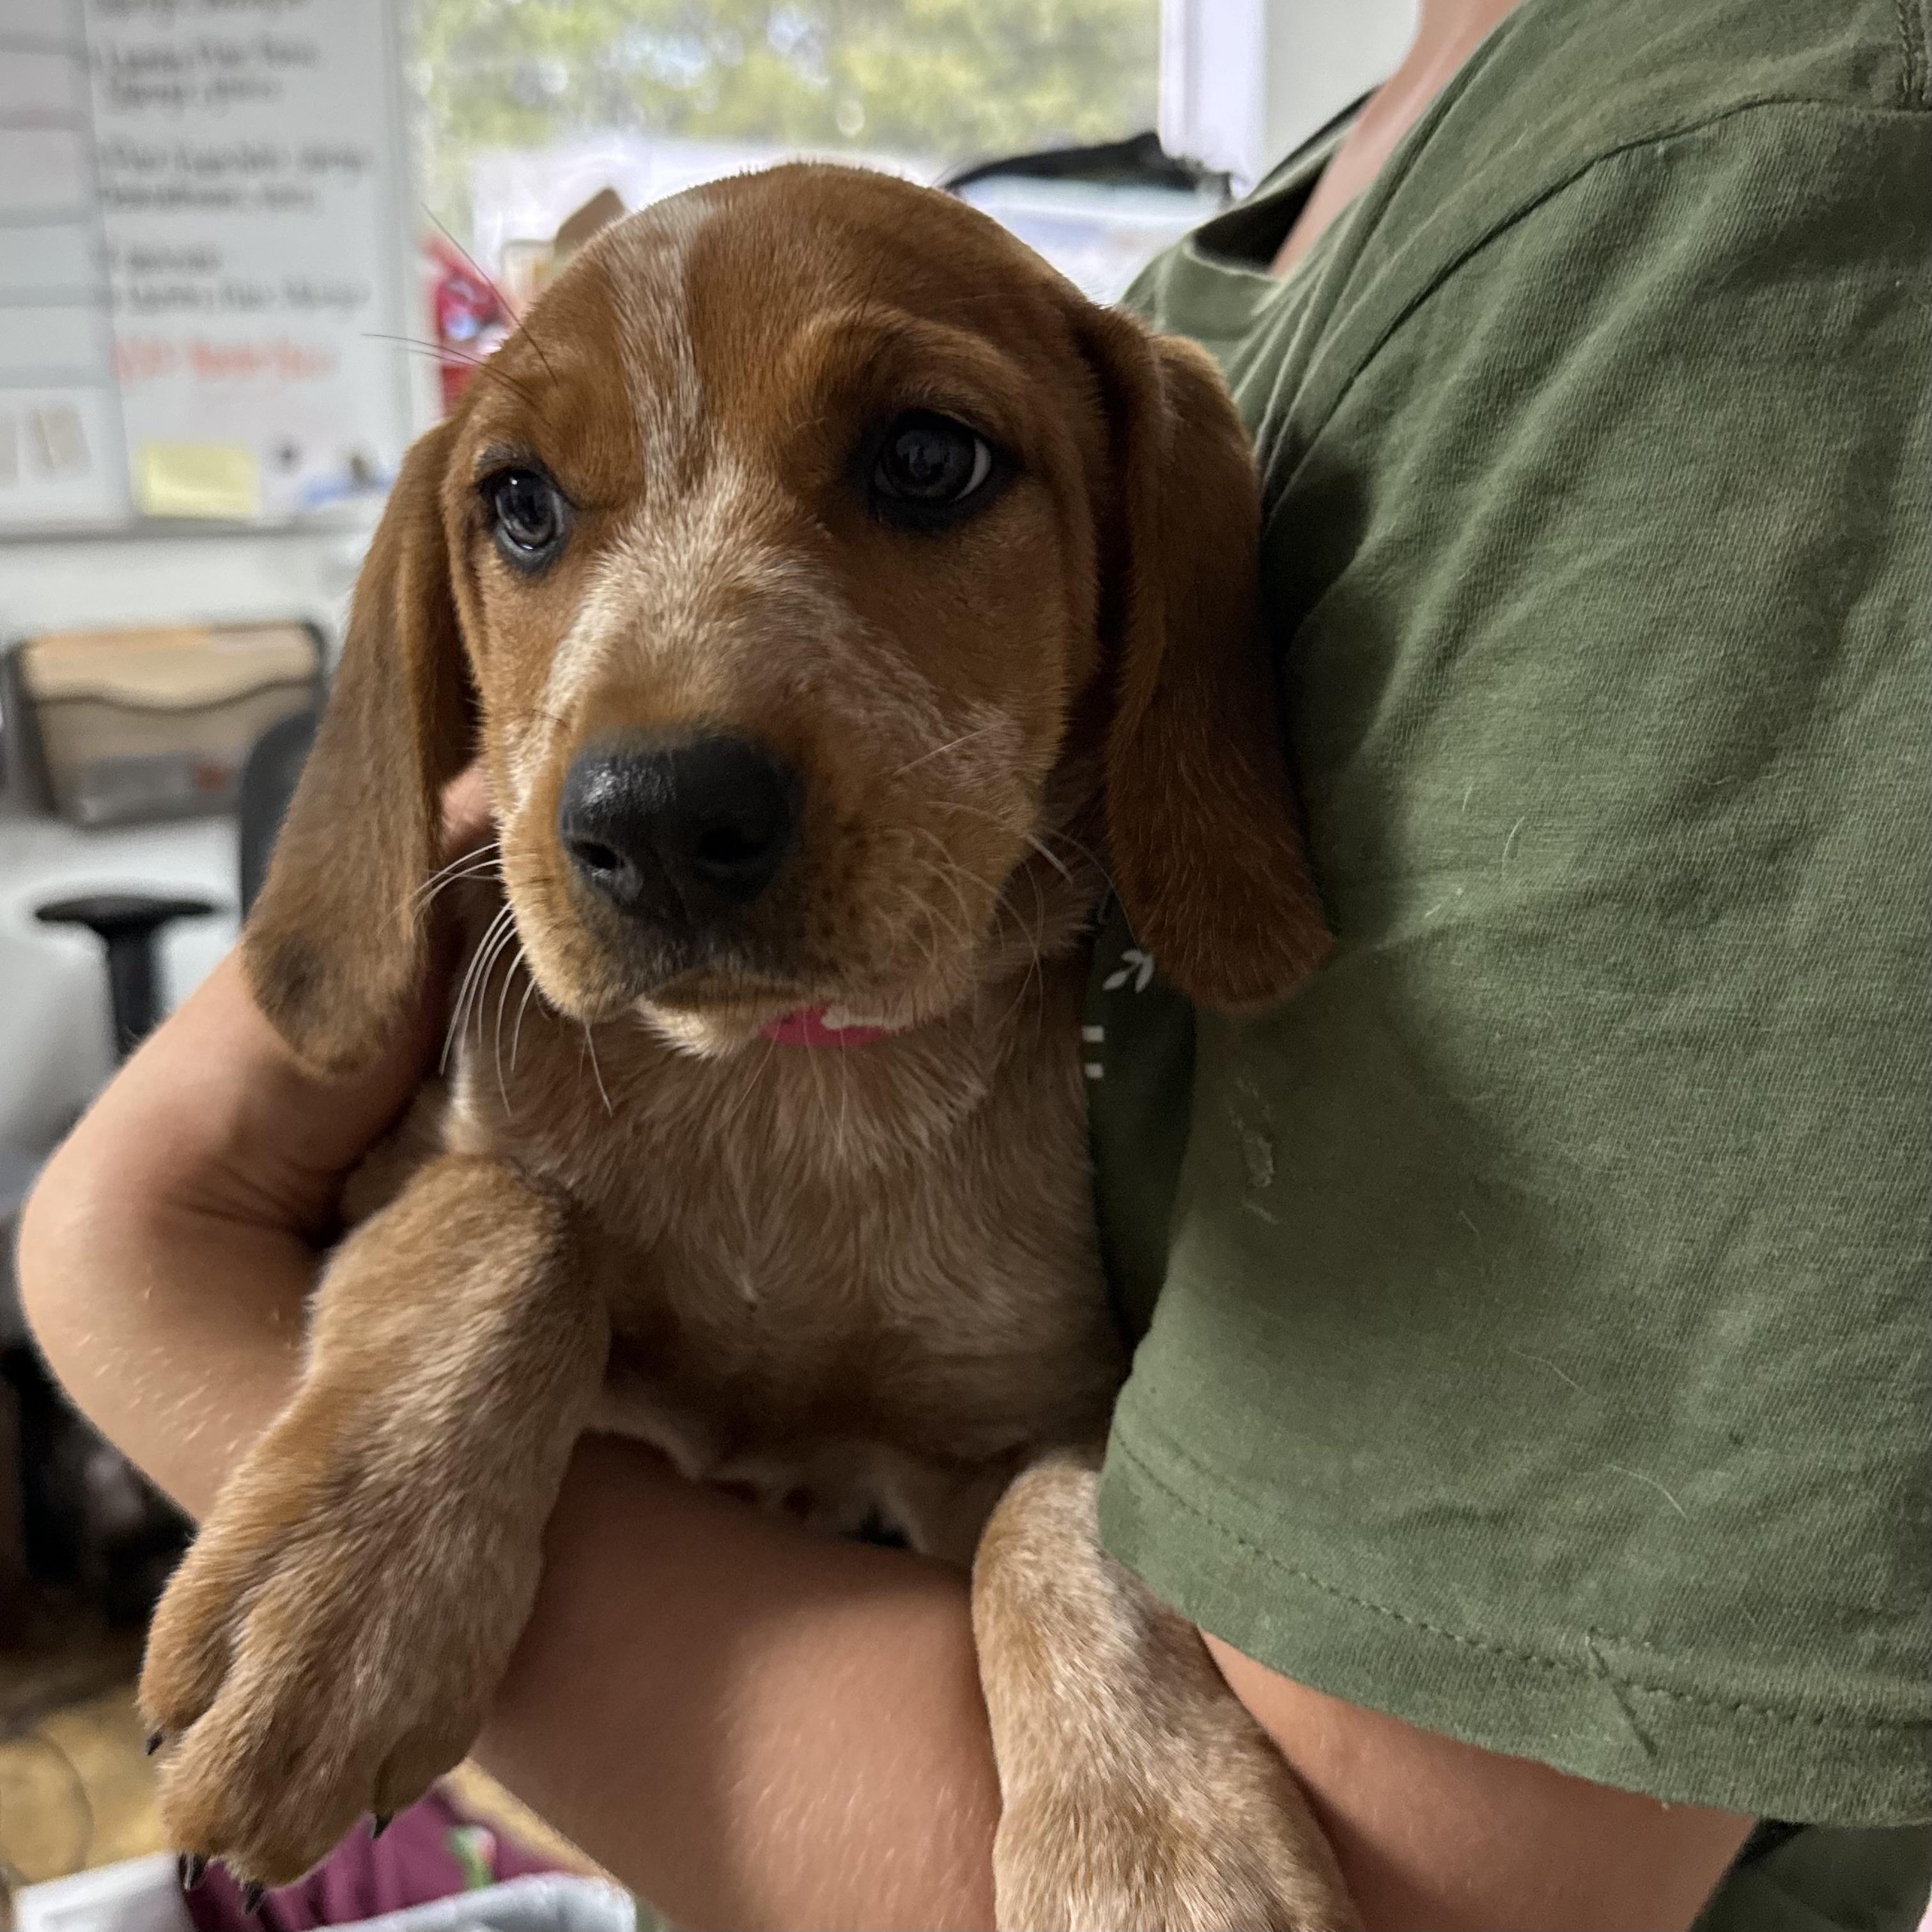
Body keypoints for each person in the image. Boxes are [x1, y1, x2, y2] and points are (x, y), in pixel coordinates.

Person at [19, 0, 1928, 1923]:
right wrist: (462, 1310)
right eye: (531, 506)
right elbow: (426, 1149)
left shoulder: (1740, 192)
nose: (654, 763)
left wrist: (131, 1261)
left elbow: (1085, 1467)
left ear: (1150, 571)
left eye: (922, 465)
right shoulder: (1280, 226)